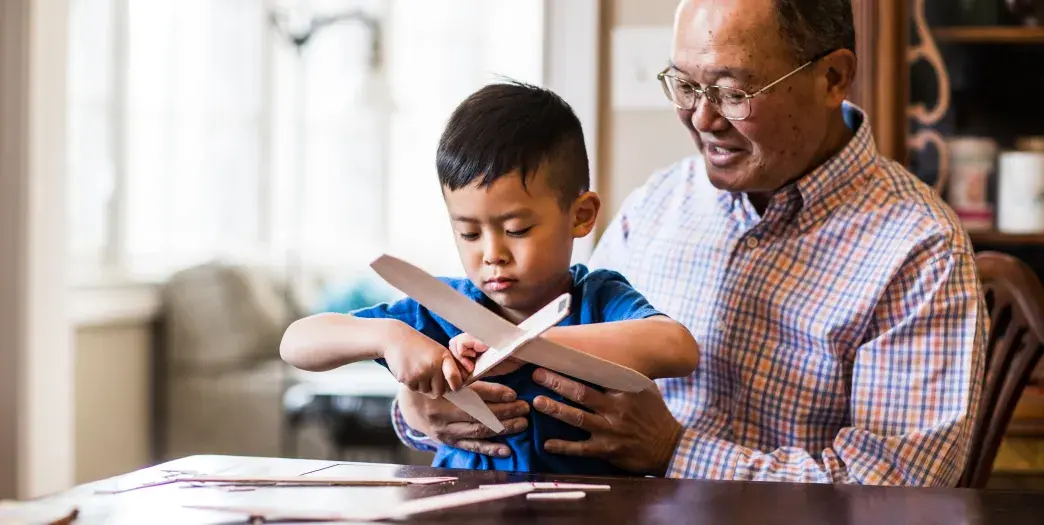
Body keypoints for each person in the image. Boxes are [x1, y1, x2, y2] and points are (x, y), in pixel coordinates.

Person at [387, 0, 988, 486]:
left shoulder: (920, 250)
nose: (701, 119)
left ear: (832, 78)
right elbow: (550, 361)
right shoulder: (659, 205)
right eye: (685, 85)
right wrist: (426, 414)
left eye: (732, 91)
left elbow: (901, 493)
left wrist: (674, 451)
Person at [279, 80, 700, 475]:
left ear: (581, 215)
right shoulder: (442, 309)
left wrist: (526, 346)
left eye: (517, 230)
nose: (492, 254)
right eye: (469, 233)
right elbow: (296, 342)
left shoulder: (598, 298)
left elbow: (677, 348)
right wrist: (388, 337)